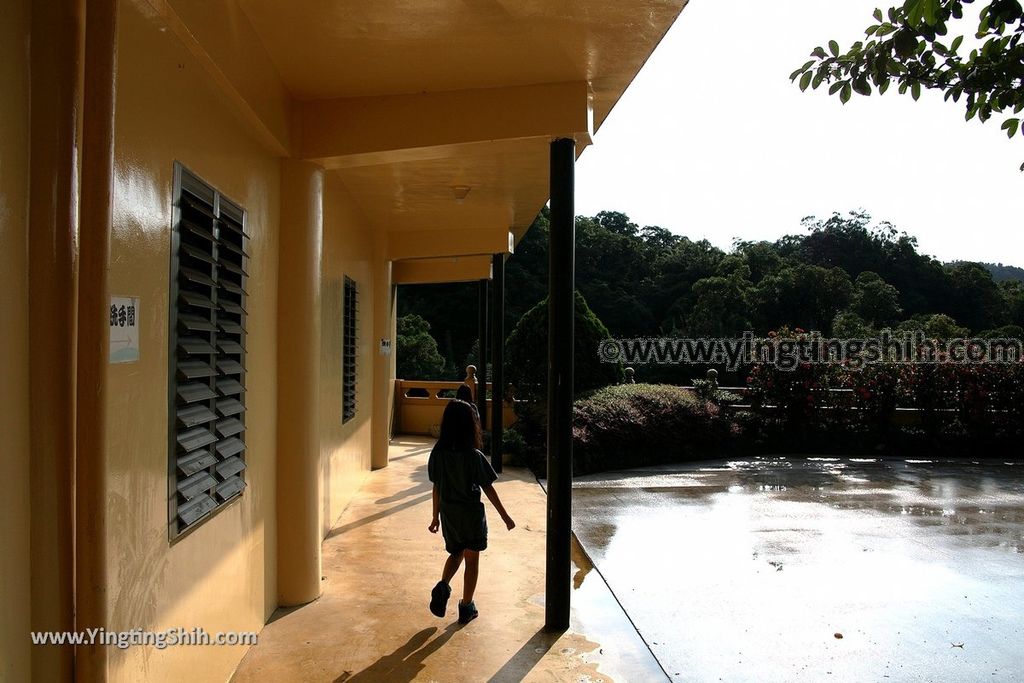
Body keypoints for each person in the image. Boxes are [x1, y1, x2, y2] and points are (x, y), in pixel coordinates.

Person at [427, 399, 514, 624]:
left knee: (455, 552)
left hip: (449, 513)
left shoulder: (438, 453)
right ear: (469, 425)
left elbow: (436, 486)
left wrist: (435, 517)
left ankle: (443, 585)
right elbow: (488, 488)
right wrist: (505, 516)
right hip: (471, 515)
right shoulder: (474, 455)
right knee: (471, 560)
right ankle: (466, 606)